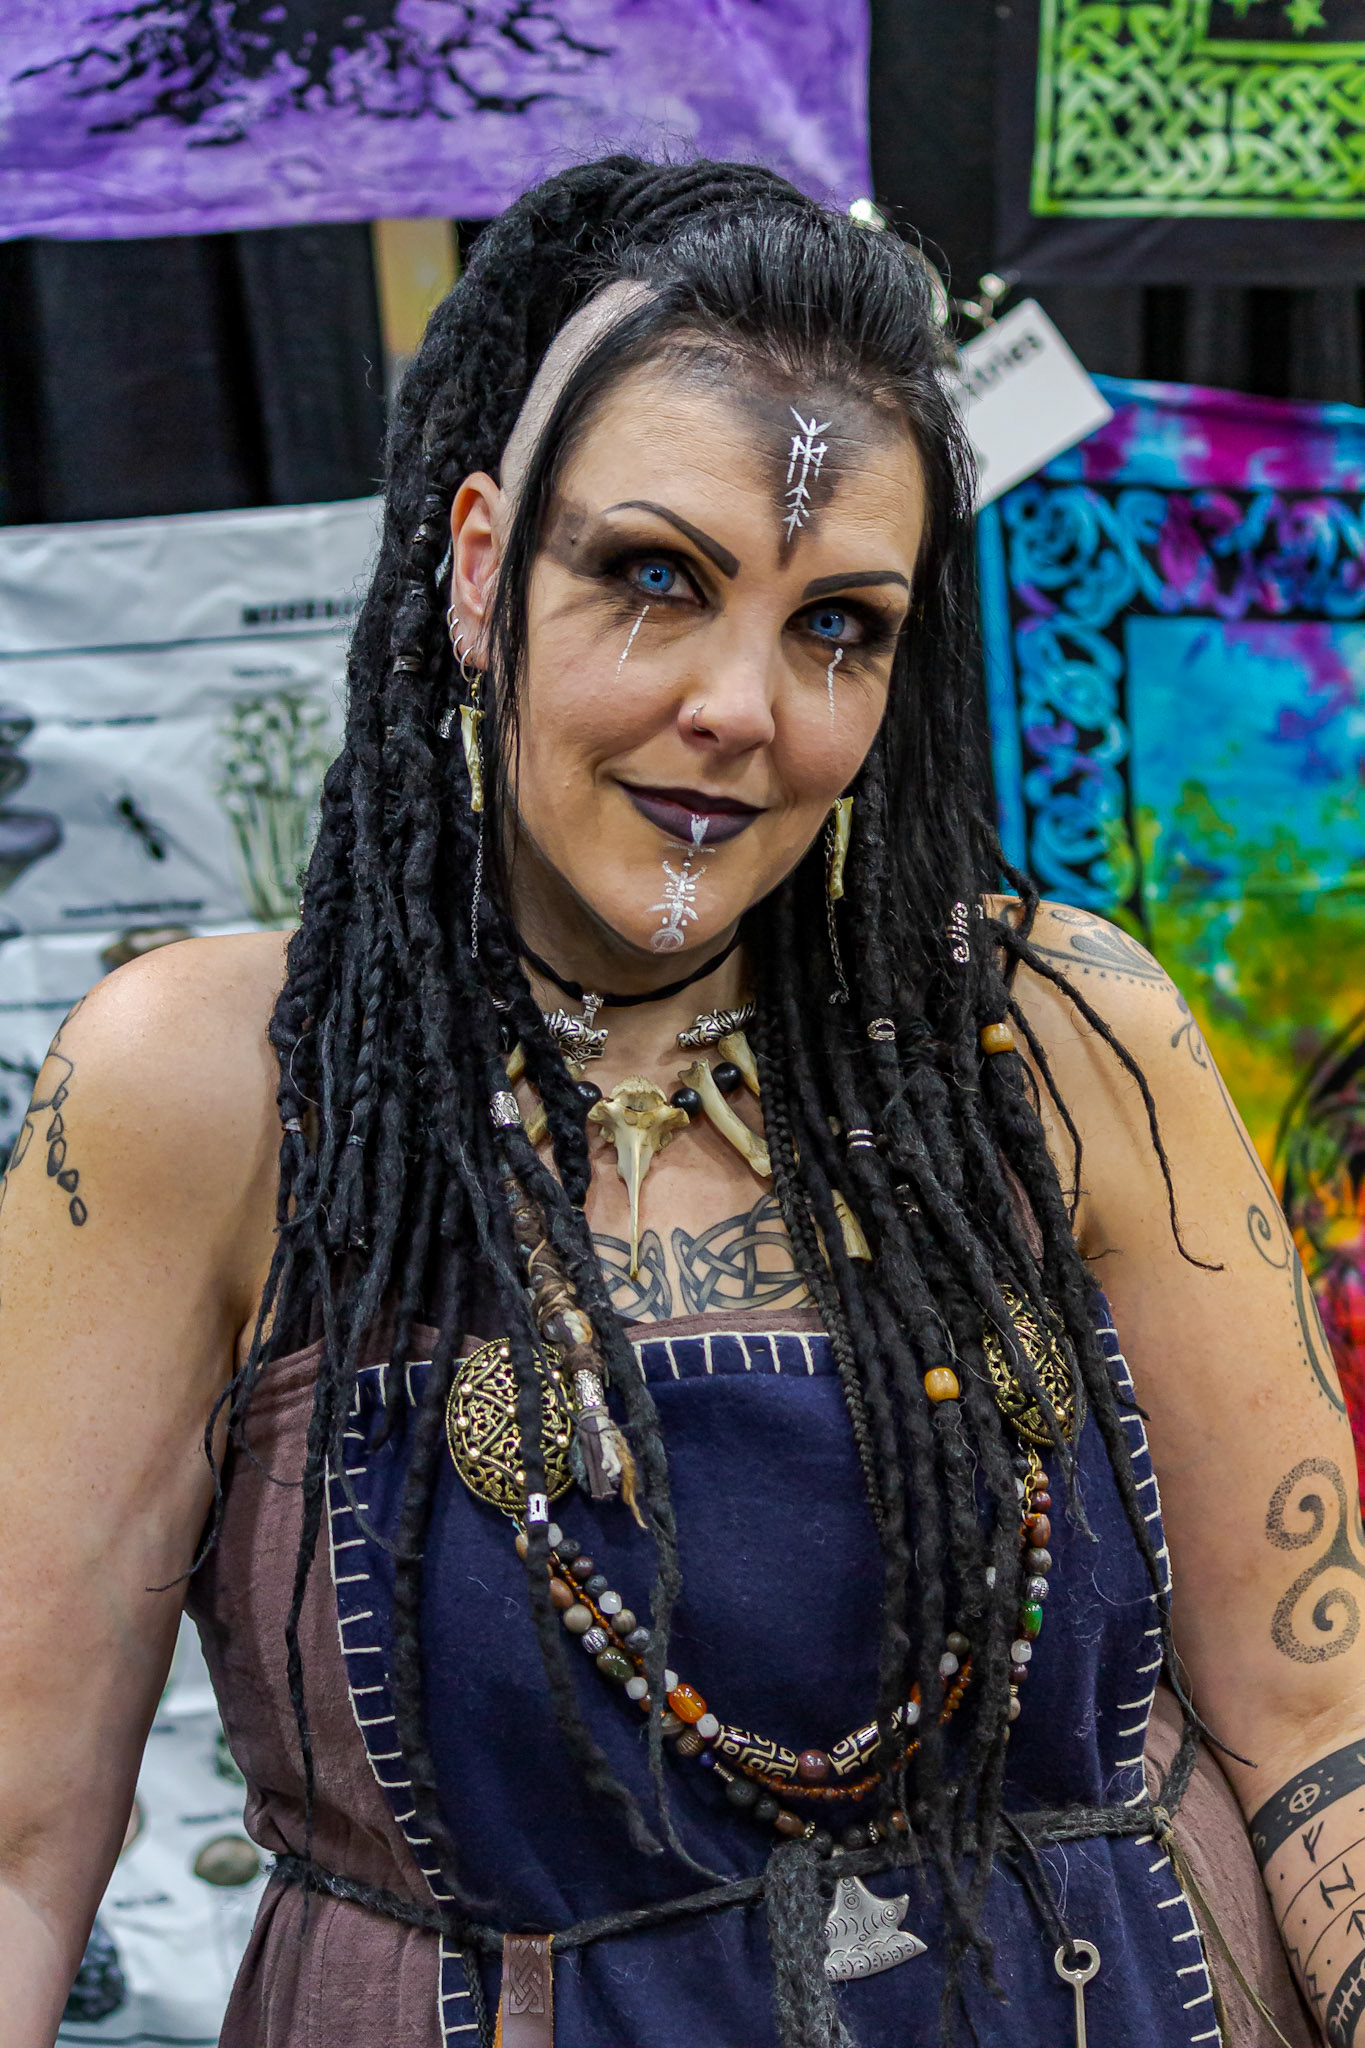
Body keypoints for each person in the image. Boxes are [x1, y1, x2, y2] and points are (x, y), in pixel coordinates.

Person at [0, 156, 1359, 2048]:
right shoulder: (209, 1090)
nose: (744, 705)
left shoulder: (1061, 1035)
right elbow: (15, 1845)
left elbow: (1315, 1724)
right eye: (655, 578)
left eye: (837, 626)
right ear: (481, 568)